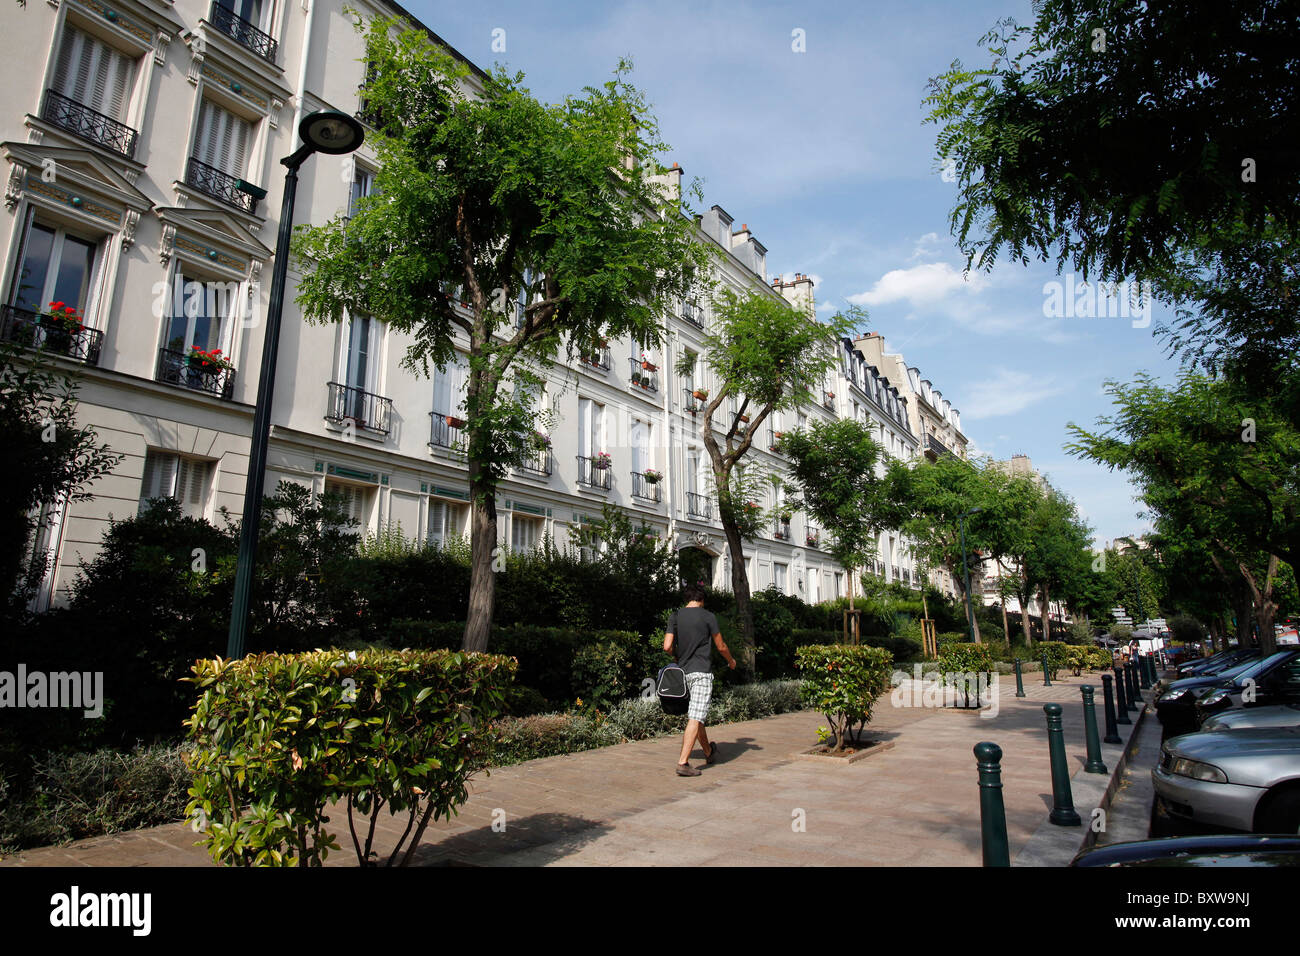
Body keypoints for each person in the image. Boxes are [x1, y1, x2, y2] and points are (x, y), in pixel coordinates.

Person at [663, 584, 736, 776]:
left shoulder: (676, 616)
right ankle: (683, 763)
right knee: (696, 717)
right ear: (702, 599)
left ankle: (708, 752)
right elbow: (720, 646)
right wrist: (731, 661)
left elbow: (667, 646)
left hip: (683, 674)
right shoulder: (708, 616)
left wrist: (678, 657)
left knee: (697, 714)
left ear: (687, 598)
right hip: (701, 673)